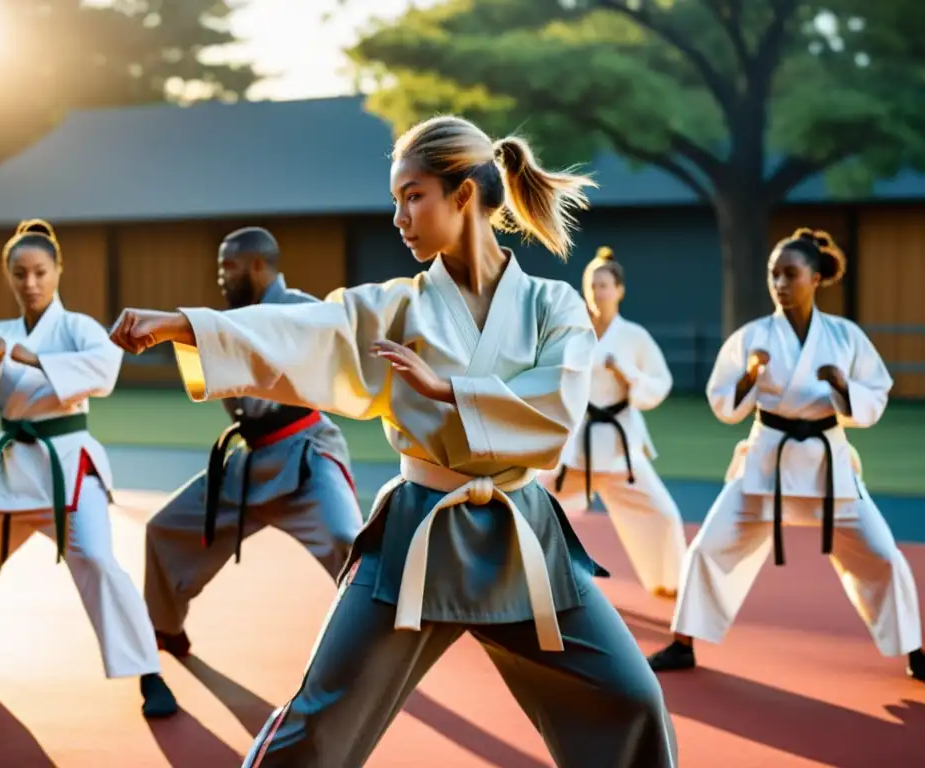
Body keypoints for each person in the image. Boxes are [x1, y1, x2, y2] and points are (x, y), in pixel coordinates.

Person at [109, 115, 678, 767]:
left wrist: (448, 392)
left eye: (413, 196)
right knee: (320, 719)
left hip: (523, 536)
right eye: (395, 200)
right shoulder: (395, 306)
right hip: (418, 536)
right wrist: (185, 325)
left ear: (464, 195)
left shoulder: (554, 304)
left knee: (633, 700)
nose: (400, 217)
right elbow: (303, 331)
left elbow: (556, 413)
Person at [0, 219, 179, 718]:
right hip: (10, 471)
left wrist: (35, 359)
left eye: (39, 272)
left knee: (99, 561)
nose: (30, 283)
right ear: (8, 276)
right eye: (20, 273)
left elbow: (103, 374)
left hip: (67, 470)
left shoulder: (77, 328)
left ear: (57, 272)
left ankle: (149, 674)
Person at [647, 228, 925, 683]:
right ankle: (682, 644)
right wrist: (750, 375)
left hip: (826, 468)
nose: (779, 283)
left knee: (882, 555)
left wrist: (840, 384)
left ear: (815, 279)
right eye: (773, 274)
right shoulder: (752, 337)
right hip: (765, 466)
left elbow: (876, 396)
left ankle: (914, 650)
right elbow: (723, 404)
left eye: (789, 274)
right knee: (706, 549)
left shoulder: (843, 336)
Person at [144, 227, 363, 657]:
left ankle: (374, 642)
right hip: (249, 462)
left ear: (259, 265)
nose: (221, 276)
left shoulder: (302, 310)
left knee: (348, 540)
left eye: (230, 265)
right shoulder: (225, 321)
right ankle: (165, 627)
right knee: (163, 528)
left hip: (306, 454)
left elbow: (343, 345)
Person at [540, 247, 687, 598]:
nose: (597, 292)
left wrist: (626, 372)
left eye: (604, 284)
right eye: (591, 284)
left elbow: (659, 384)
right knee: (533, 501)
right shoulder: (570, 334)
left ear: (619, 290)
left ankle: (670, 582)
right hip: (577, 447)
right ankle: (534, 580)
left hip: (621, 449)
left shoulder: (634, 337)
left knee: (664, 515)